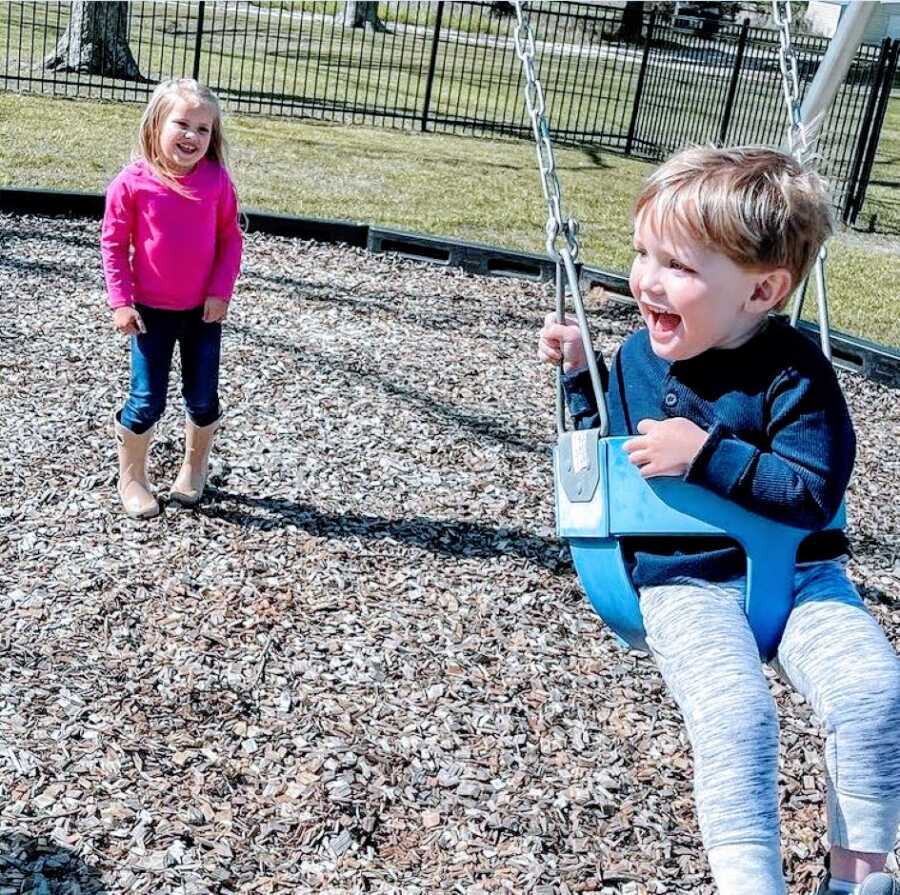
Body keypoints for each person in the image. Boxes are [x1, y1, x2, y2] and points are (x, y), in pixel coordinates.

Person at [537, 145, 900, 895]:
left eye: (679, 267)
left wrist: (708, 455)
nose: (646, 280)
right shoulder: (636, 358)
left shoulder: (799, 374)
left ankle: (861, 877)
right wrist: (580, 379)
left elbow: (809, 491)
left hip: (801, 577)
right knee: (738, 716)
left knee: (875, 693)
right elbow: (605, 456)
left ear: (762, 289)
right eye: (643, 253)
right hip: (684, 583)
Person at [101, 78, 243, 519]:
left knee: (202, 398)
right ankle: (132, 477)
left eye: (204, 130)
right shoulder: (131, 184)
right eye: (182, 124)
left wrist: (221, 292)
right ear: (156, 124)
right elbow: (112, 244)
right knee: (147, 400)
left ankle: (193, 466)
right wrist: (121, 301)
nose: (192, 137)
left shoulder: (216, 181)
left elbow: (230, 240)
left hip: (202, 313)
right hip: (149, 314)